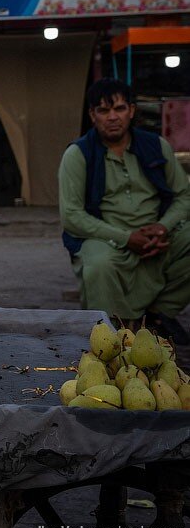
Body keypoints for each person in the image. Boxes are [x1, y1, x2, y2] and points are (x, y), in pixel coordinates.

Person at [59, 78, 190, 343]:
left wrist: (163, 226)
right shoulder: (78, 154)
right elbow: (71, 216)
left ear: (131, 110)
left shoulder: (156, 146)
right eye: (104, 111)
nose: (112, 117)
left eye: (119, 109)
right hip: (105, 237)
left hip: (156, 234)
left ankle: (158, 315)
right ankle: (110, 337)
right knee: (98, 265)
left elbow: (184, 195)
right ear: (92, 115)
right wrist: (126, 238)